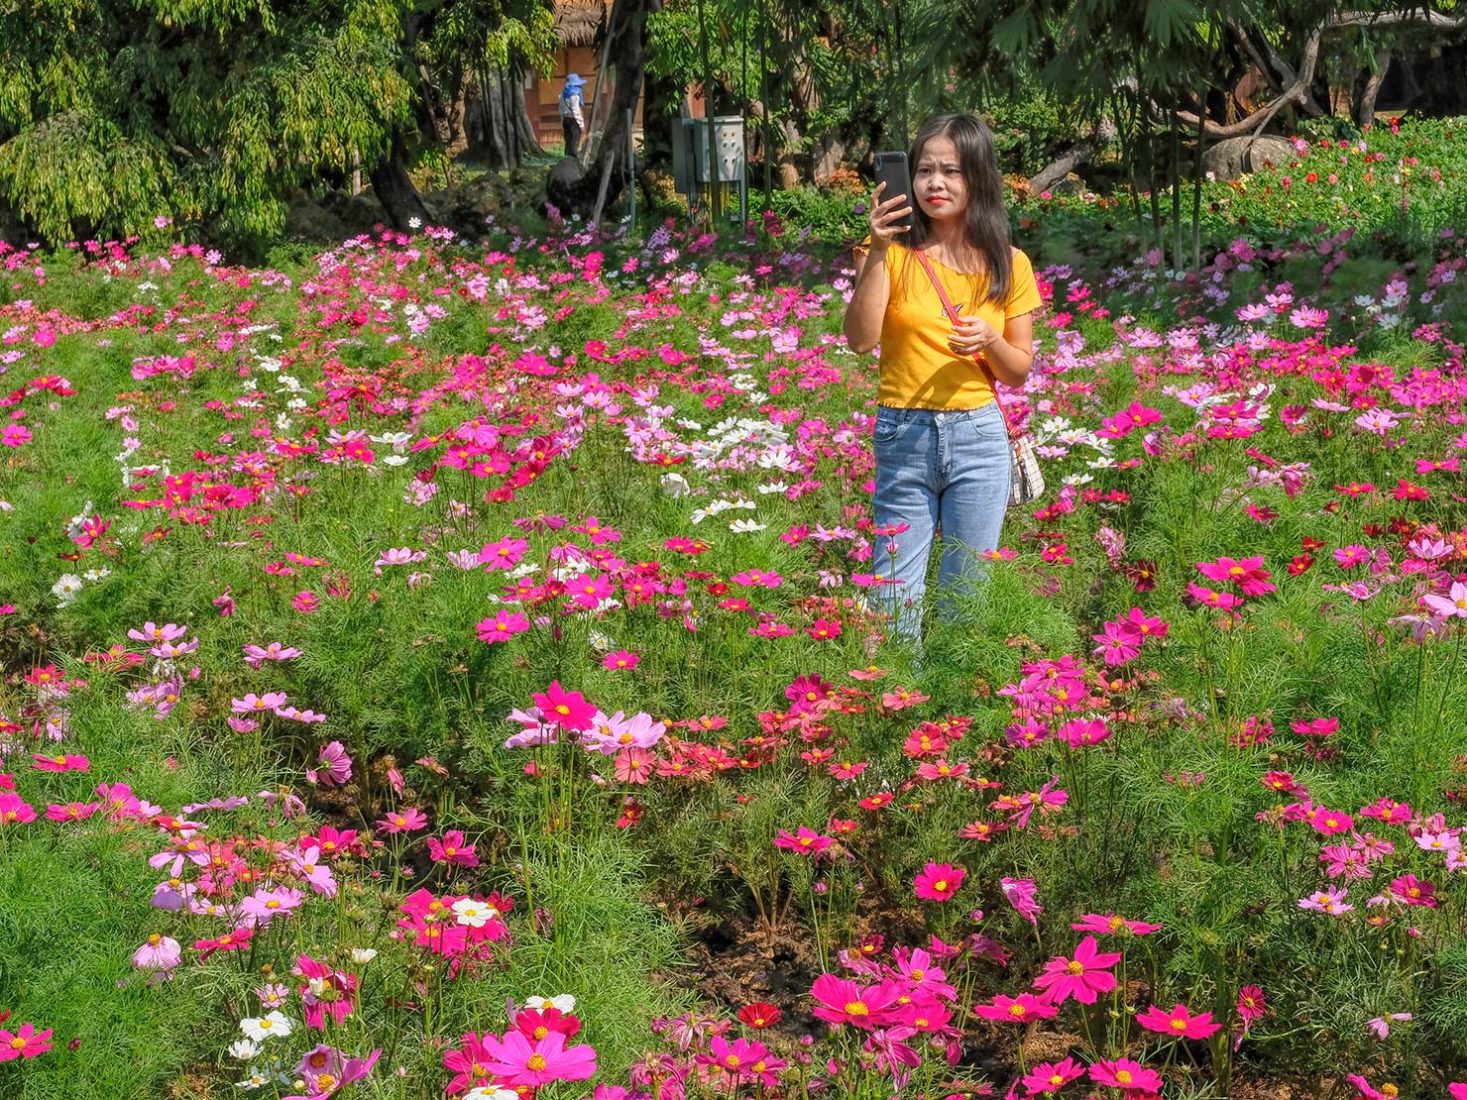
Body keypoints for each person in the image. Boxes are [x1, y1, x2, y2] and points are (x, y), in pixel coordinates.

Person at [842, 112, 1042, 650]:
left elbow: (1019, 370)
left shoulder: (1009, 263)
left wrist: (991, 342)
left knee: (965, 598)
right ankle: (896, 710)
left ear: (977, 178)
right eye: (924, 170)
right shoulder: (889, 254)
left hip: (979, 439)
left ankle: (956, 719)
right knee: (893, 595)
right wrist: (880, 249)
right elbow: (860, 340)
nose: (935, 183)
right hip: (903, 434)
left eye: (951, 171)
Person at [559, 74, 586, 159]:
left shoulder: (562, 94)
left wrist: (562, 121)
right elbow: (576, 111)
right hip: (574, 120)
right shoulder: (574, 95)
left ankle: (567, 158)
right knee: (575, 142)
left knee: (568, 141)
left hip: (565, 120)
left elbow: (561, 109)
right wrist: (581, 125)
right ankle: (574, 160)